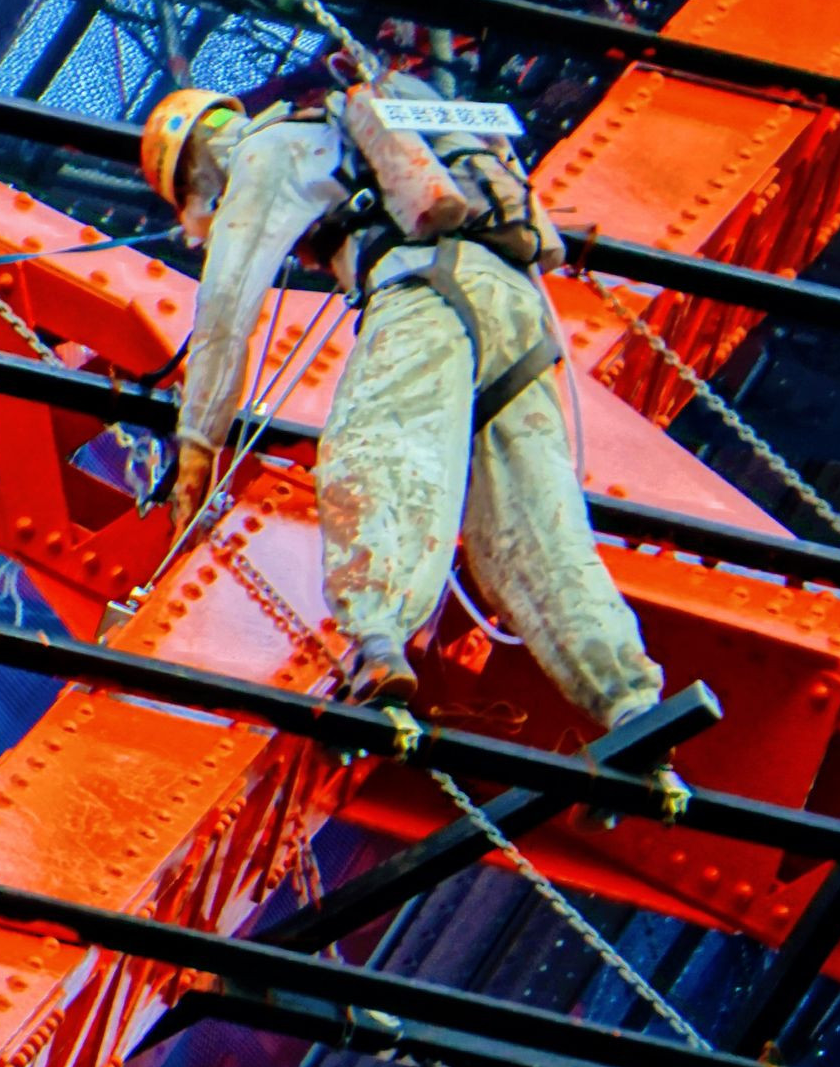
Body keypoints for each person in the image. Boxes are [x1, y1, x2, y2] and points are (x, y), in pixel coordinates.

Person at [143, 37, 662, 728]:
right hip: (516, 306)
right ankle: (627, 696)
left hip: (424, 292)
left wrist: (198, 445)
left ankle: (377, 639)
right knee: (528, 522)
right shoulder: (380, 114)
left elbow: (225, 308)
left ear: (199, 168)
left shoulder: (262, 151)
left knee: (371, 456)